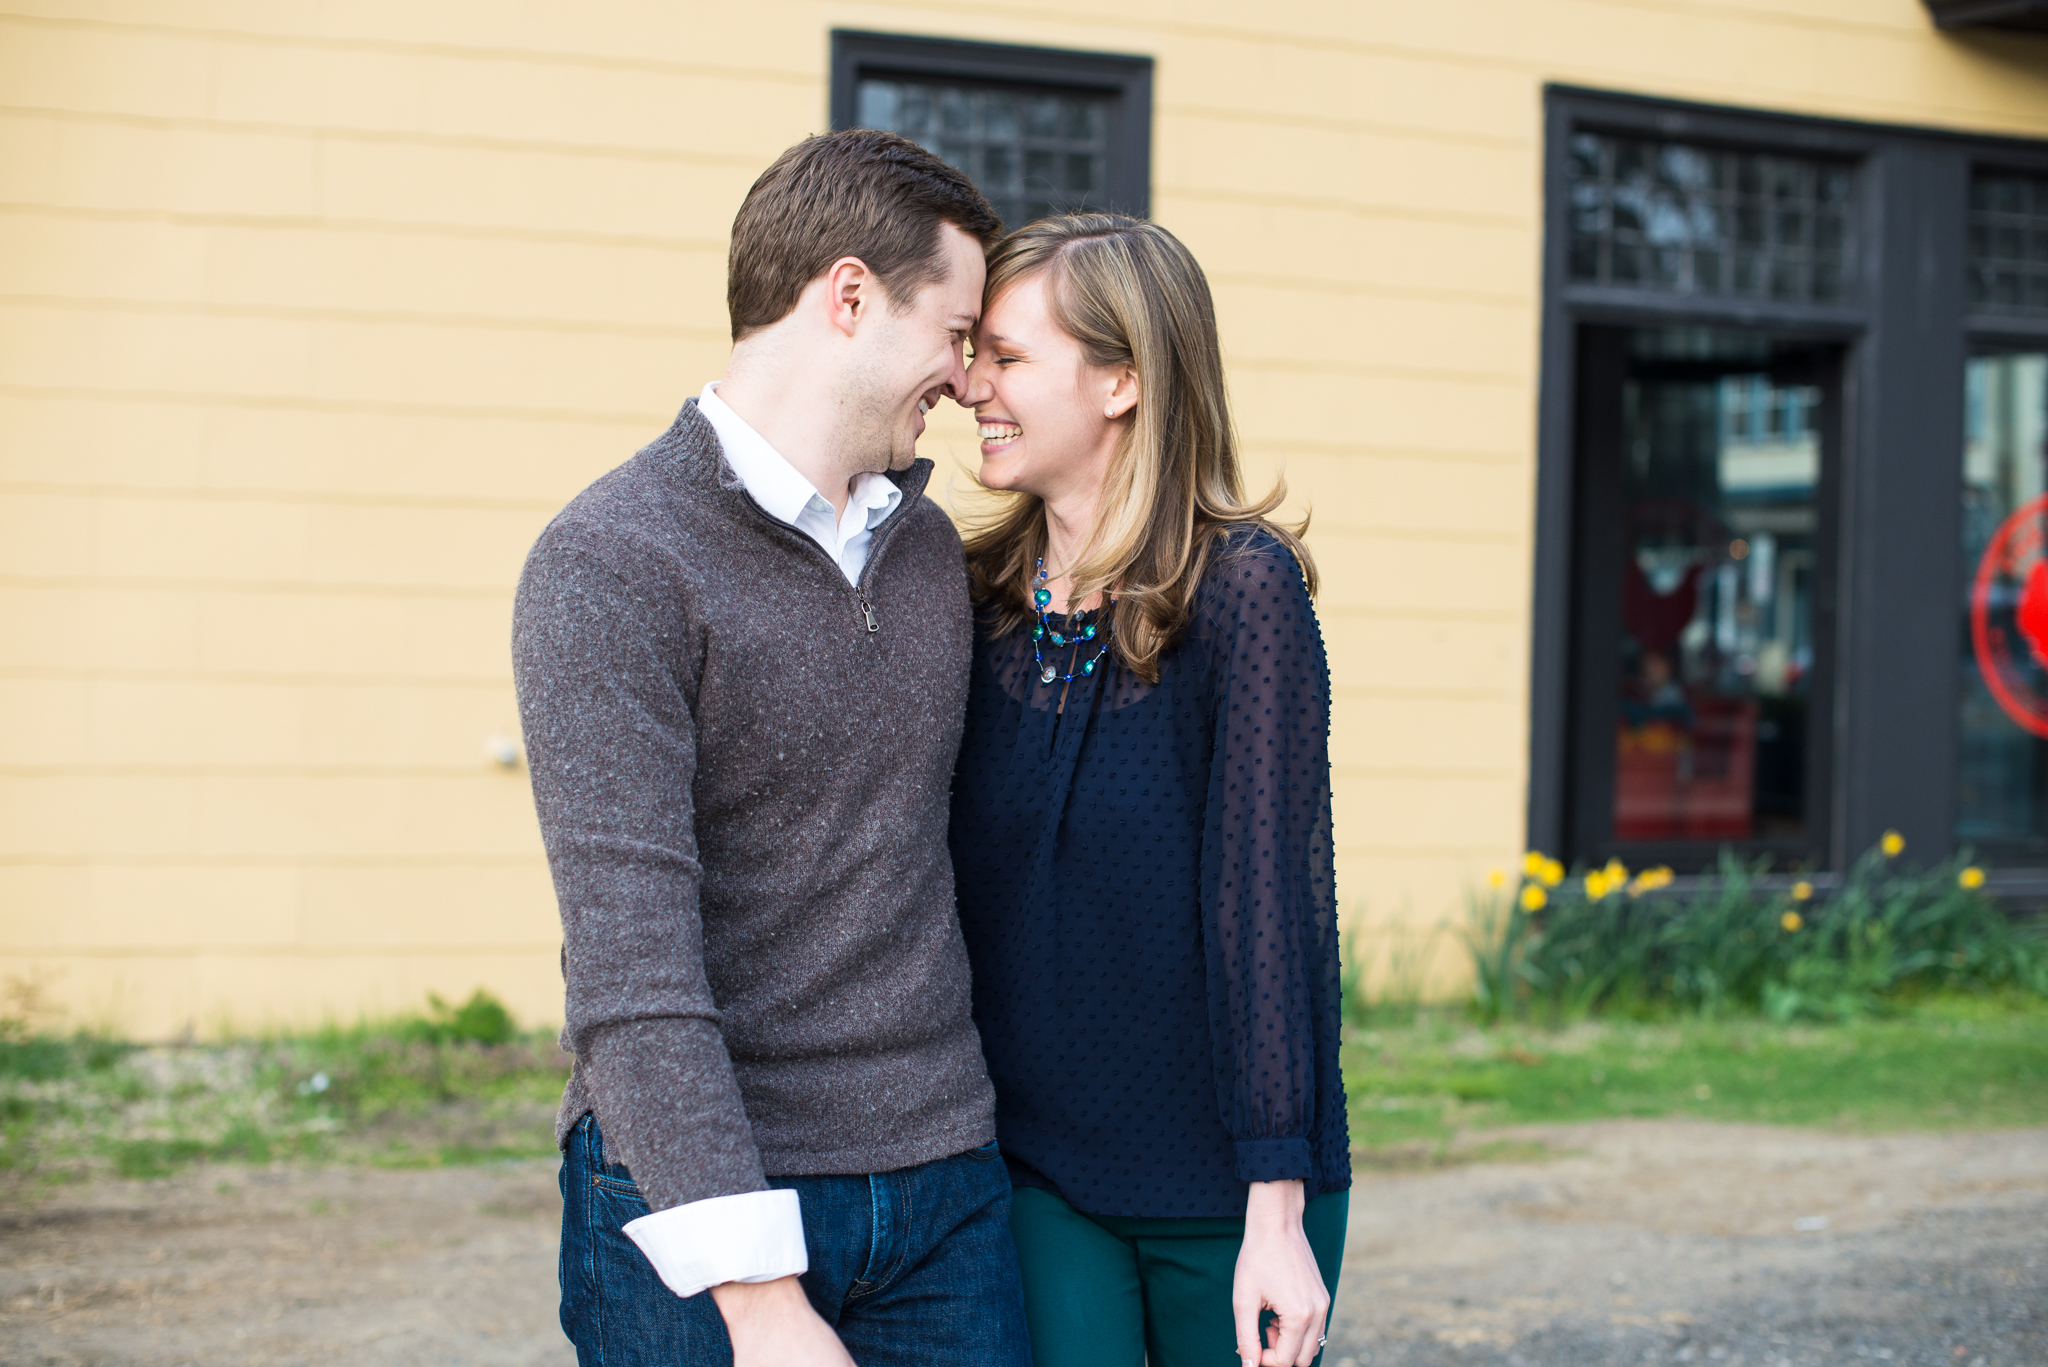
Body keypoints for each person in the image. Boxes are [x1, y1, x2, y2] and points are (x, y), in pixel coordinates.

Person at [513, 129, 1029, 1367]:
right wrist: (757, 1295)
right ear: (848, 297)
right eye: (955, 334)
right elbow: (629, 967)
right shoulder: (610, 564)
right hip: (698, 1200)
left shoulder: (924, 550)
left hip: (944, 1183)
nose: (966, 382)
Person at [948, 214, 1351, 1367]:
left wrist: (1274, 1211)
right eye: (974, 350)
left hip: (1227, 1181)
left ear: (1122, 379)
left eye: (1008, 358)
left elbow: (1267, 904)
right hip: (1037, 1171)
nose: (971, 383)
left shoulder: (1242, 594)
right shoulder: (969, 600)